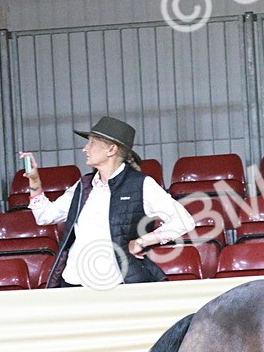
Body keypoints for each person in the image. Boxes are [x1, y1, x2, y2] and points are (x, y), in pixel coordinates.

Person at [20, 116, 196, 289]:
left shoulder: (141, 184)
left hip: (116, 282)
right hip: (73, 281)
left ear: (111, 149)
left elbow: (184, 221)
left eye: (92, 143)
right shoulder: (83, 186)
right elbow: (44, 216)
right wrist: (35, 181)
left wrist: (141, 242)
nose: (85, 149)